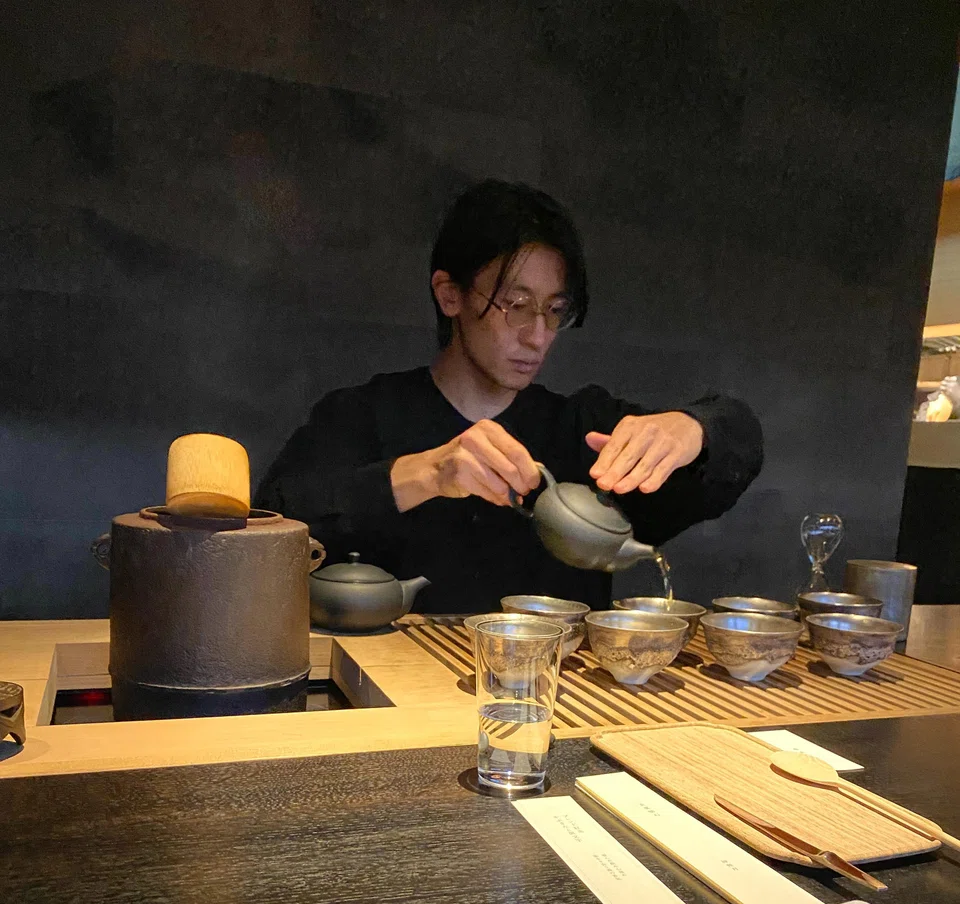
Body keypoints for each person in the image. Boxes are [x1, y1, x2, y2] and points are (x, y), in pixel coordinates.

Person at [255, 180, 763, 612]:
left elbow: (736, 444)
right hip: (394, 712)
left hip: (561, 710)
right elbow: (267, 536)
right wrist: (430, 473)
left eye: (554, 311)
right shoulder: (362, 416)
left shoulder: (580, 429)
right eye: (516, 305)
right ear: (449, 293)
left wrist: (695, 428)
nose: (538, 335)